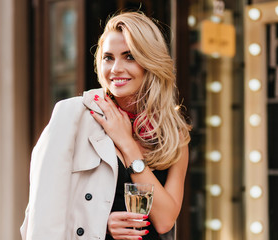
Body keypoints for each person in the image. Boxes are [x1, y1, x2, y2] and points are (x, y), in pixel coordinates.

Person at [20, 11, 191, 240]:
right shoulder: (73, 116)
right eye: (108, 57)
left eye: (129, 56)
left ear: (150, 62)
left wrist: (127, 144)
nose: (115, 68)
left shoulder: (173, 134)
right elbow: (42, 218)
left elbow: (165, 220)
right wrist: (100, 223)